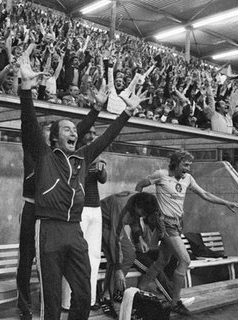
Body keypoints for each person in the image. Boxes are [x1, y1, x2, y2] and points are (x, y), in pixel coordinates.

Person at [19, 54, 146, 320]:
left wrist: (126, 113)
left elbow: (107, 136)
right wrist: (26, 90)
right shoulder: (44, 156)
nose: (73, 132)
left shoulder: (82, 156)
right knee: (52, 299)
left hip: (74, 230)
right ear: (54, 138)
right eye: (66, 130)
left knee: (83, 293)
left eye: (74, 130)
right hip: (49, 228)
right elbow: (29, 125)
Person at [135, 150, 238, 314]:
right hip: (166, 224)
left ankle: (139, 291)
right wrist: (143, 211)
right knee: (185, 260)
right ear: (175, 163)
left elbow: (204, 193)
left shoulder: (188, 179)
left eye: (190, 165)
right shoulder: (161, 175)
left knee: (162, 261)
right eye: (185, 165)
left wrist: (226, 203)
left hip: (178, 224)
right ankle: (175, 302)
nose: (188, 168)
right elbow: (140, 185)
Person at [17, 114, 102, 320]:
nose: (44, 135)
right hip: (35, 212)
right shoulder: (37, 152)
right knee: (27, 260)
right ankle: (24, 305)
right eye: (44, 132)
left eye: (47, 132)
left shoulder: (65, 157)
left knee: (76, 286)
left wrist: (95, 110)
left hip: (63, 218)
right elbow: (30, 128)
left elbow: (77, 131)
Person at [62, 125, 107, 311]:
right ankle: (66, 302)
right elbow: (69, 179)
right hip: (78, 209)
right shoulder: (74, 154)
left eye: (94, 133)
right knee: (72, 255)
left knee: (94, 256)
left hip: (95, 208)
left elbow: (103, 179)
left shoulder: (95, 154)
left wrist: (101, 169)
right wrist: (89, 169)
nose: (92, 136)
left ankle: (89, 300)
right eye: (89, 132)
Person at [99, 191, 162, 318]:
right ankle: (106, 297)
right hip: (103, 223)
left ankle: (115, 291)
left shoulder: (138, 201)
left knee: (130, 255)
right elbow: (114, 238)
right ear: (137, 206)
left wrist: (139, 239)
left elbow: (135, 220)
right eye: (143, 213)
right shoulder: (120, 206)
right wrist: (118, 269)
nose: (143, 216)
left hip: (116, 226)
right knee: (114, 259)